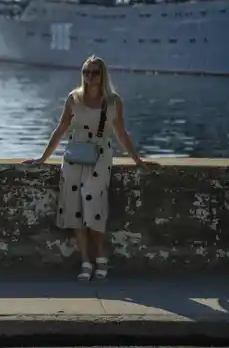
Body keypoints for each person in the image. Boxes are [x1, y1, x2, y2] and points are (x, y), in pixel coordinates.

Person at [24, 56, 157, 281]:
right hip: (75, 156)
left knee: (94, 203)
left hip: (100, 156)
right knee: (75, 207)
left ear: (102, 75)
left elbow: (121, 134)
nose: (89, 77)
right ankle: (85, 260)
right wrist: (43, 158)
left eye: (94, 72)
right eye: (86, 72)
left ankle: (100, 254)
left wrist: (138, 160)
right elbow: (61, 129)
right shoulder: (74, 98)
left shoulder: (113, 101)